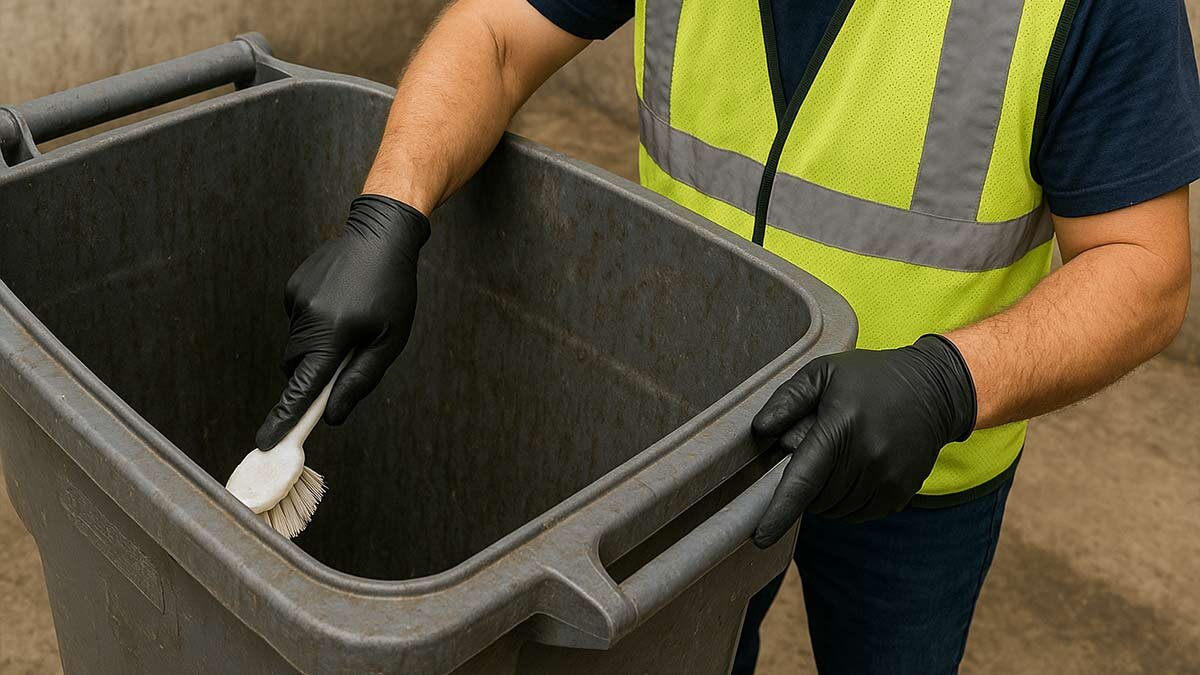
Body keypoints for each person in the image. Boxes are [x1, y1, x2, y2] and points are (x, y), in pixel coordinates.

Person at [254, 0, 1197, 672]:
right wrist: (389, 211)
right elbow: (498, 33)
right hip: (692, 441)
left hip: (918, 468)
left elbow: (1143, 265)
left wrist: (953, 381)